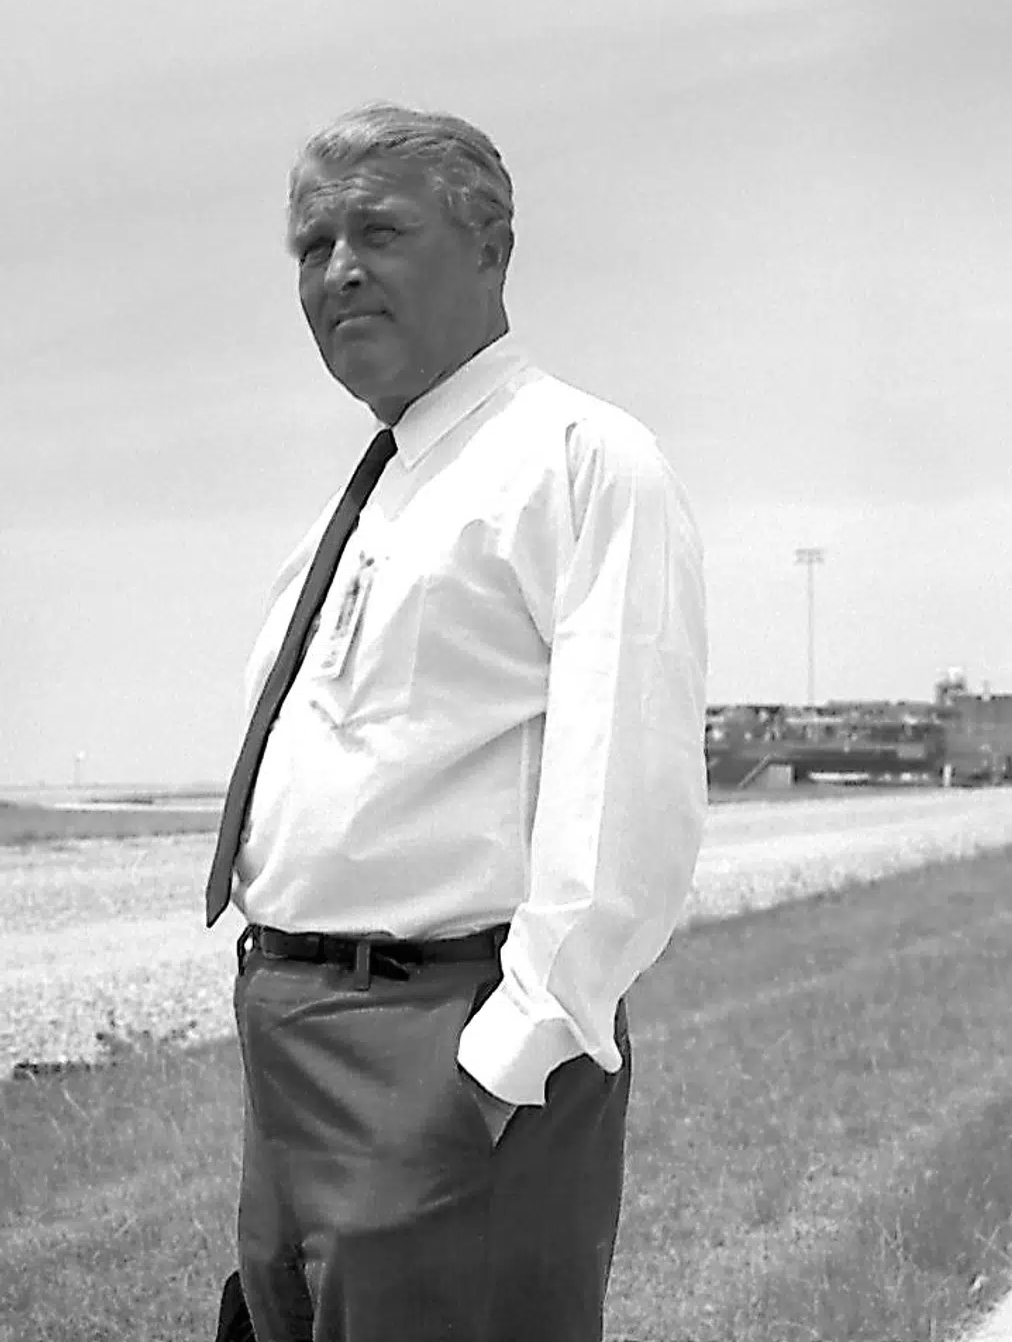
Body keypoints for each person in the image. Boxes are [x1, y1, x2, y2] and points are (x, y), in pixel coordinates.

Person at [205, 101, 709, 1342]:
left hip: (447, 1038)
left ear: (489, 247)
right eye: (310, 244)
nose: (336, 270)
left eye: (377, 228)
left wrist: (501, 1064)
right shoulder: (382, 489)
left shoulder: (579, 460)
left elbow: (623, 800)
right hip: (295, 1035)